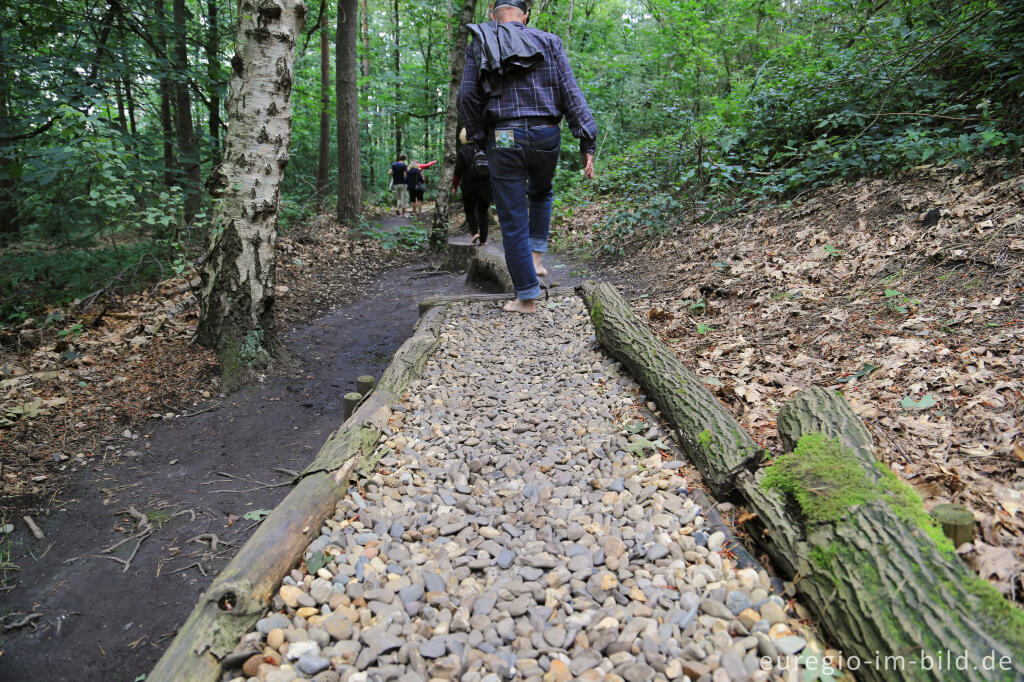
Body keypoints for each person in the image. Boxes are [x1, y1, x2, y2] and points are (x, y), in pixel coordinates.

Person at [458, 0, 596, 314]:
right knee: (542, 191)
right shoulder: (549, 42)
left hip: (504, 136)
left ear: (492, 16)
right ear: (526, 16)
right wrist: (586, 140)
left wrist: (479, 138)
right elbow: (571, 93)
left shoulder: (480, 42)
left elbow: (466, 97)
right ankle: (537, 258)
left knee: (513, 218)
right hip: (547, 133)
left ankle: (526, 297)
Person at [453, 127, 493, 244]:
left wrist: (455, 186)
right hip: (486, 186)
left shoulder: (463, 150)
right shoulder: (485, 148)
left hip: (469, 185)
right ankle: (484, 240)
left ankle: (475, 232)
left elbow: (458, 170)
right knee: (483, 212)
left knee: (469, 210)